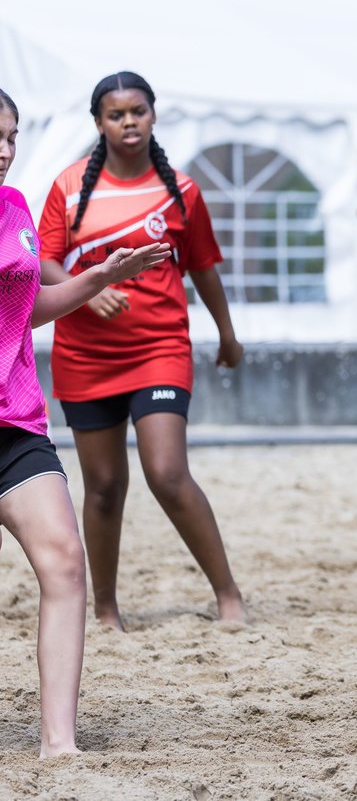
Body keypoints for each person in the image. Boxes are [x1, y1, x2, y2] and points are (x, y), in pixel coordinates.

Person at [38, 72, 246, 630]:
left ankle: (228, 596)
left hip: (159, 347)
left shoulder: (181, 190)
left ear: (153, 116)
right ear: (99, 122)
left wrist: (227, 333)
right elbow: (45, 262)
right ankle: (105, 609)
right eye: (115, 114)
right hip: (83, 355)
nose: (128, 122)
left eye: (138, 111)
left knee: (166, 471)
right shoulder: (68, 188)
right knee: (103, 486)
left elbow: (202, 267)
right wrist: (90, 292)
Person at [0, 87, 169, 755]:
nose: (5, 150)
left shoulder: (12, 208)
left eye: (11, 136)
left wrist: (99, 276)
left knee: (66, 564)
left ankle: (59, 743)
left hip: (15, 424)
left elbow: (28, 305)